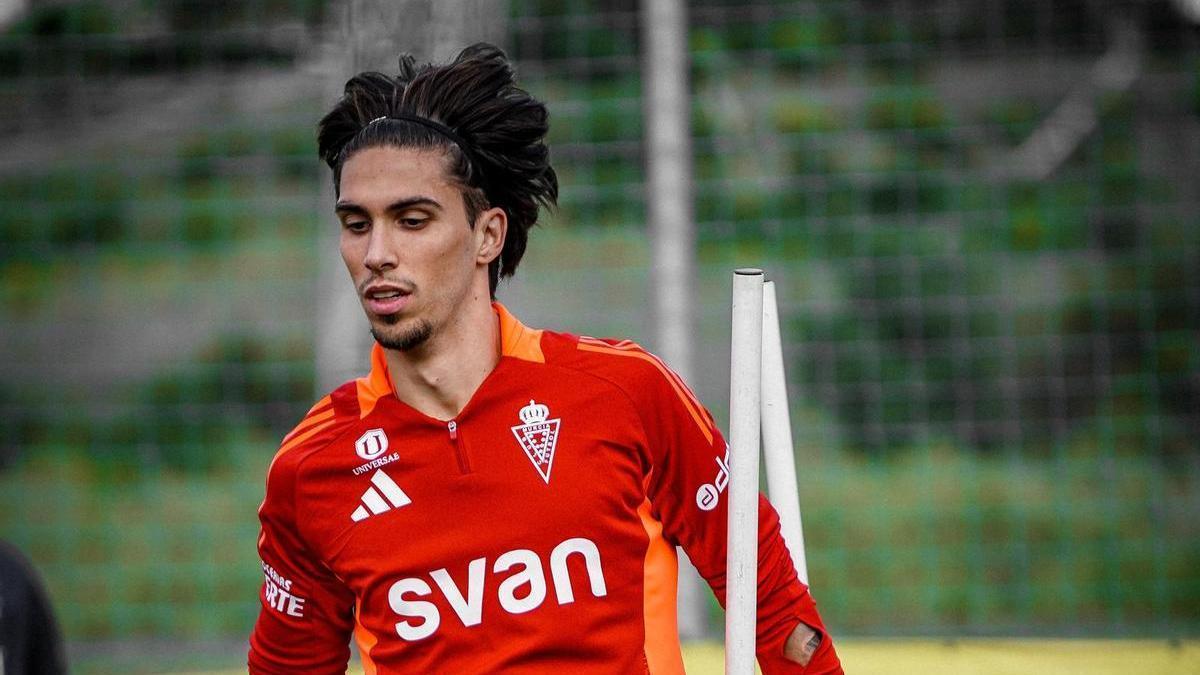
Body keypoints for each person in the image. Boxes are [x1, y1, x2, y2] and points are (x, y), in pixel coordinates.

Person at [248, 43, 841, 674]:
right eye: (357, 223)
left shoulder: (625, 391)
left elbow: (773, 606)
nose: (377, 254)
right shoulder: (311, 468)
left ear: (487, 235)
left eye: (412, 220)